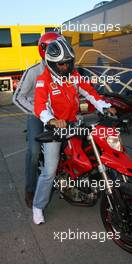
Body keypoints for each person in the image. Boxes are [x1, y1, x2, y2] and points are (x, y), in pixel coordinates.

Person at [33, 38, 116, 224]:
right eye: (62, 64)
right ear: (52, 63)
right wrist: (52, 120)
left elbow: (90, 93)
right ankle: (38, 206)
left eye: (69, 62)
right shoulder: (43, 80)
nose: (66, 66)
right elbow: (39, 106)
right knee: (49, 170)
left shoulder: (74, 75)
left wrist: (104, 106)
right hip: (56, 128)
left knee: (91, 155)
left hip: (74, 123)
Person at [13, 32, 61, 208]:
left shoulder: (65, 69)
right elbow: (18, 97)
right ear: (44, 50)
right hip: (37, 115)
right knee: (33, 152)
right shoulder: (33, 72)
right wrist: (37, 113)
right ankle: (30, 189)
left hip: (59, 116)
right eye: (54, 48)